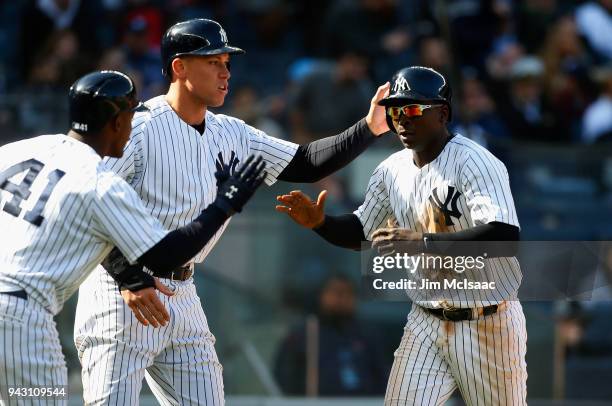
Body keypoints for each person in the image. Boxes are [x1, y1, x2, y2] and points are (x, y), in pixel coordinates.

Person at [74, 18, 390, 405]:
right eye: (213, 62)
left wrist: (369, 127)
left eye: (227, 62)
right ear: (179, 67)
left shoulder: (233, 133)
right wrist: (127, 277)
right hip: (122, 294)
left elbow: (305, 163)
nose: (226, 72)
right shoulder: (138, 128)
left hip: (184, 291)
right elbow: (85, 199)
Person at [0, 70, 265, 404]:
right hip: (22, 319)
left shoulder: (17, 150)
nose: (134, 124)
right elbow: (165, 255)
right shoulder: (100, 183)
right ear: (116, 122)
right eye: (131, 115)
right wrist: (227, 202)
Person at [276, 66, 527, 405]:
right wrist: (322, 224)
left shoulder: (476, 162)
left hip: (487, 320)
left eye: (411, 109)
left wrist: (422, 243)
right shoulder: (391, 170)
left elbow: (505, 238)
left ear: (443, 113)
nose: (401, 119)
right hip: (425, 320)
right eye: (394, 110)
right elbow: (364, 233)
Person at [274, 274, 387, 396]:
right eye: (336, 292)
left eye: (348, 293)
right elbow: (286, 378)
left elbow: (382, 376)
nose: (342, 298)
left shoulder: (367, 334)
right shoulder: (303, 335)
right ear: (321, 295)